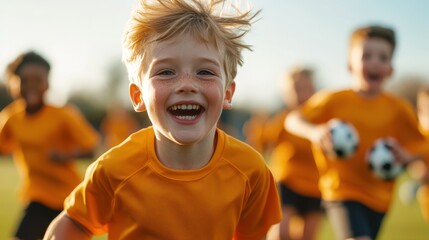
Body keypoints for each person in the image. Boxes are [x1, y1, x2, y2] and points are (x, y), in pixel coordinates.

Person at [43, 0, 282, 239]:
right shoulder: (114, 169)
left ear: (228, 93)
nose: (187, 85)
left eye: (205, 72)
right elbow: (75, 222)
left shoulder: (251, 171)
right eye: (166, 72)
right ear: (138, 96)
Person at [285, 25, 429, 240]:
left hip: (381, 200)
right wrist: (314, 132)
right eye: (366, 56)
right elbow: (293, 119)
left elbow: (423, 144)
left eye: (383, 57)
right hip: (341, 192)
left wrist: (408, 156)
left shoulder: (399, 109)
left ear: (390, 69)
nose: (375, 62)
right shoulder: (333, 100)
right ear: (349, 65)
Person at [0, 51, 100, 240]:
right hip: (36, 195)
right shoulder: (11, 118)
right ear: (13, 82)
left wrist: (65, 155)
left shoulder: (63, 115)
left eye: (38, 80)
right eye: (24, 80)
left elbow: (91, 148)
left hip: (68, 198)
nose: (31, 86)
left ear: (47, 83)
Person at [264, 67, 322, 240]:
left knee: (306, 236)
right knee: (281, 234)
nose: (299, 95)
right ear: (285, 95)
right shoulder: (283, 120)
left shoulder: (321, 120)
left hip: (315, 187)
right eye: (293, 91)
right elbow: (265, 142)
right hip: (287, 181)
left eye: (303, 89)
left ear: (313, 90)